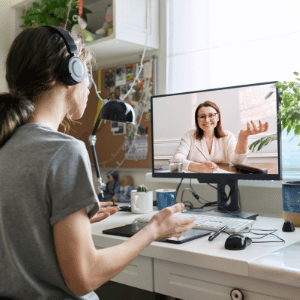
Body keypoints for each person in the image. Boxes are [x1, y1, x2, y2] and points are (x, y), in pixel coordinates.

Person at [0, 26, 196, 300]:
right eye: (88, 75)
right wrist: (153, 230)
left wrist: (69, 221)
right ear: (73, 73)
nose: (90, 88)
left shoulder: (6, 143)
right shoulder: (64, 151)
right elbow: (85, 277)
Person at [174, 101, 269, 173]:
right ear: (197, 119)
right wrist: (199, 167)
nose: (206, 120)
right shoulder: (189, 135)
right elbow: (177, 159)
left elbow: (237, 162)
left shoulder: (228, 136)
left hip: (223, 182)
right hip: (195, 182)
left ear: (218, 117)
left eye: (211, 115)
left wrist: (243, 137)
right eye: (202, 116)